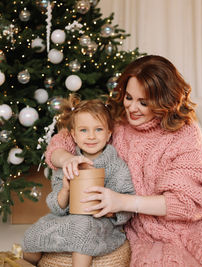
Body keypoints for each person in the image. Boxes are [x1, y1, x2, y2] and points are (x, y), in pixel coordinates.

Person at [44, 55, 202, 266]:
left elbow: (185, 202)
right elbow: (63, 140)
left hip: (195, 222)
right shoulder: (115, 121)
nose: (132, 108)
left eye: (143, 102)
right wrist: (68, 159)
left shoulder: (184, 133)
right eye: (129, 97)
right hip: (142, 229)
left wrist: (123, 201)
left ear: (163, 101)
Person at [22, 95, 135, 267]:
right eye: (84, 130)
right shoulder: (69, 164)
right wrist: (66, 190)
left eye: (98, 129)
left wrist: (111, 211)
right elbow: (55, 207)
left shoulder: (116, 165)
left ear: (108, 134)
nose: (91, 136)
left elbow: (127, 201)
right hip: (67, 218)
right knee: (35, 232)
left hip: (100, 222)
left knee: (83, 228)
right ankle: (25, 263)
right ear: (73, 135)